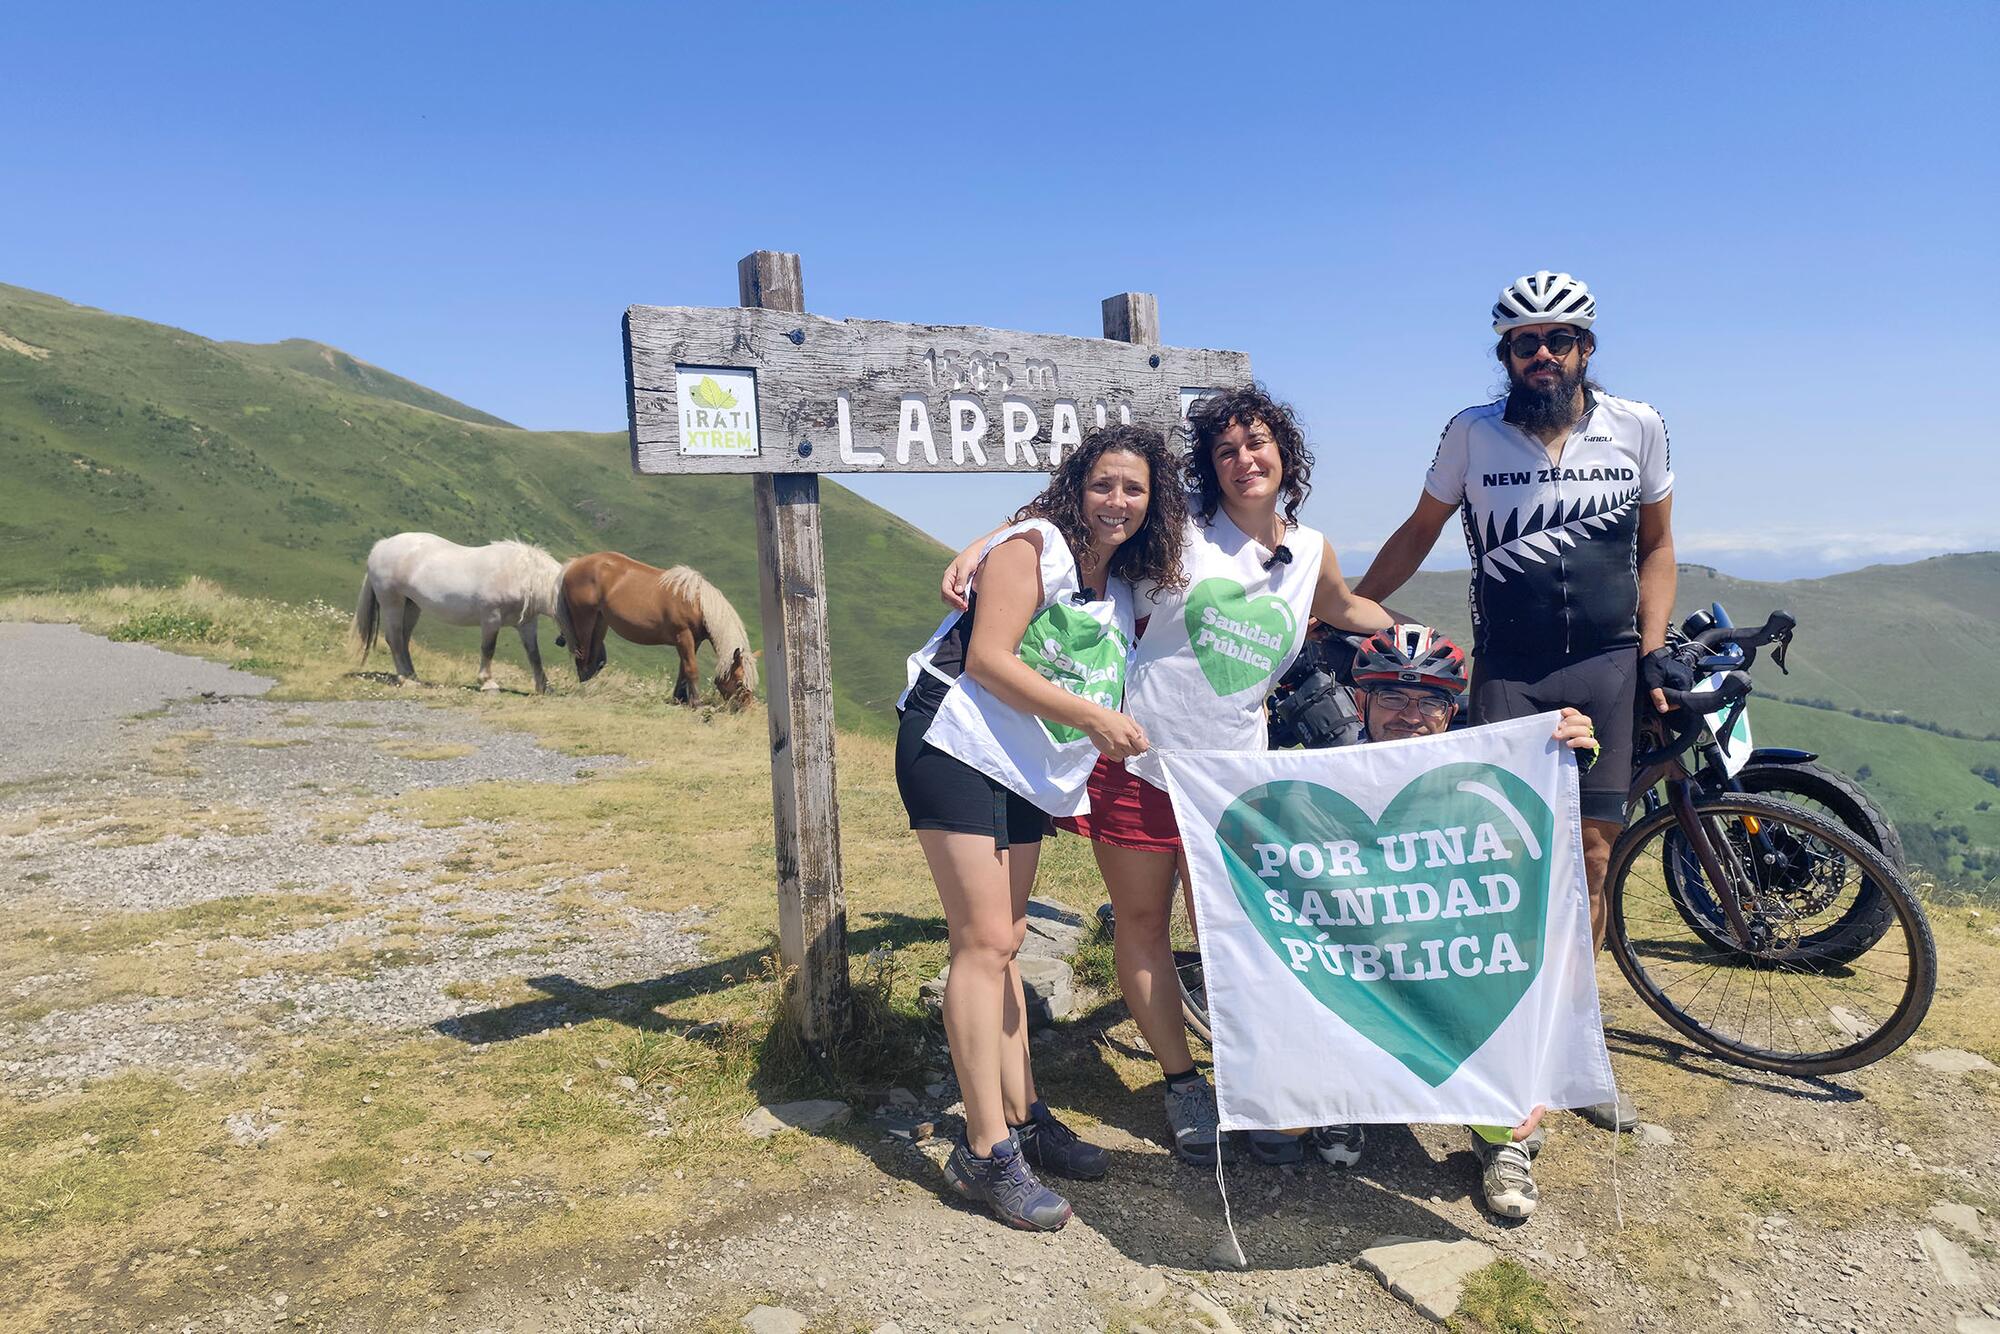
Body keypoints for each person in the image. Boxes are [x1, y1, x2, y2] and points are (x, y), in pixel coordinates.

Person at [945, 386, 1393, 1169]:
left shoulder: (1312, 549)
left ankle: (1264, 1087)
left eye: (1257, 444)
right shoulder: (1175, 526)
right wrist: (986, 544)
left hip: (1240, 784)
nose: (1243, 460)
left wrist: (1430, 643)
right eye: (1225, 450)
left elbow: (1347, 607)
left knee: (1246, 938)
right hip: (1139, 765)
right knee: (1146, 927)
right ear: (1208, 467)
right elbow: (1072, 516)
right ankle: (1184, 1084)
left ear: (1285, 455)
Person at [1354, 271, 1678, 1133]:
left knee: (1596, 857)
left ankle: (1573, 1049)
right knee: (1500, 865)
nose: (1542, 354)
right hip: (1511, 670)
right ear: (1505, 354)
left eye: (1558, 340)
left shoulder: (1638, 426)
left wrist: (1650, 655)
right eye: (1524, 342)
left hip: (1606, 666)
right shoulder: (1473, 433)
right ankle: (1495, 1040)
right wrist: (1339, 606)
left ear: (1585, 349)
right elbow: (1419, 533)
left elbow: (1658, 548)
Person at [900, 423, 1187, 1231]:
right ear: (1076, 485)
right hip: (955, 742)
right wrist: (1093, 717)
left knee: (1009, 942)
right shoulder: (1035, 547)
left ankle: (1026, 1119)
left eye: (1135, 489)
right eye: (1103, 484)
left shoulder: (1121, 579)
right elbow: (990, 658)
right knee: (984, 942)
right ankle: (985, 1152)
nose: (1118, 501)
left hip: (1022, 763)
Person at [1243, 624, 1599, 1219]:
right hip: (1361, 954)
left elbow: (1535, 847)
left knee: (1494, 985)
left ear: (1452, 708)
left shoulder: (1478, 772)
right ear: (1361, 701)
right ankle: (1342, 1099)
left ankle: (1499, 1137)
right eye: (1392, 697)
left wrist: (1569, 756)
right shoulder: (1320, 774)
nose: (1412, 714)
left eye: (1431, 699)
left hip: (1449, 950)